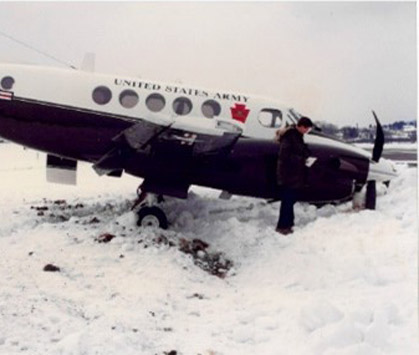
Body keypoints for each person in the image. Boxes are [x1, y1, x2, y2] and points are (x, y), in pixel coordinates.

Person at [275, 116, 313, 235]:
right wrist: (302, 160)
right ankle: (283, 226)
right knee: (287, 201)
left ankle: (288, 224)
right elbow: (284, 156)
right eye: (306, 129)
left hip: (293, 175)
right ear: (301, 126)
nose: (307, 131)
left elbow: (299, 150)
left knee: (290, 200)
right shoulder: (290, 136)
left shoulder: (297, 136)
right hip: (288, 175)